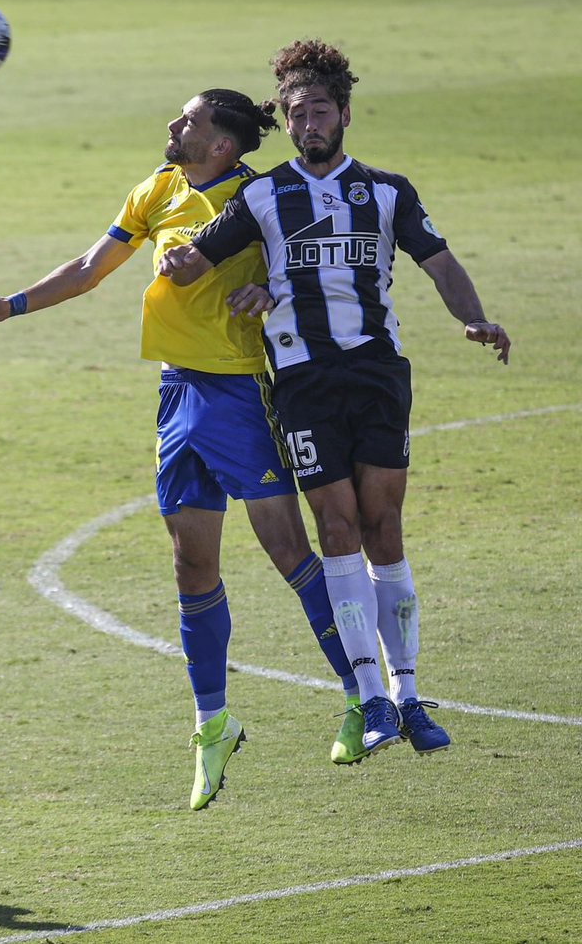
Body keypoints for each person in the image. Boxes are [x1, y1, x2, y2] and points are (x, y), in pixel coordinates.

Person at [0, 89, 363, 811]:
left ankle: (361, 695)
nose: (173, 125)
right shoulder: (158, 188)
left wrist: (269, 289)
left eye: (189, 120)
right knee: (191, 564)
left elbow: (317, 272)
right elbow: (89, 266)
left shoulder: (260, 197)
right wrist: (9, 306)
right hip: (176, 394)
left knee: (289, 552)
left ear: (221, 144)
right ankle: (213, 724)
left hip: (239, 393)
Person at [159, 39, 511, 762]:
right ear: (286, 122)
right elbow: (200, 256)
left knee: (385, 526)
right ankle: (371, 696)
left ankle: (409, 694)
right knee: (338, 528)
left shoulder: (387, 191)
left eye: (320, 110)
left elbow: (439, 261)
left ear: (344, 114)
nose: (308, 123)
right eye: (296, 113)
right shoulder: (262, 195)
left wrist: (473, 317)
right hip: (303, 381)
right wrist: (176, 254)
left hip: (378, 373)